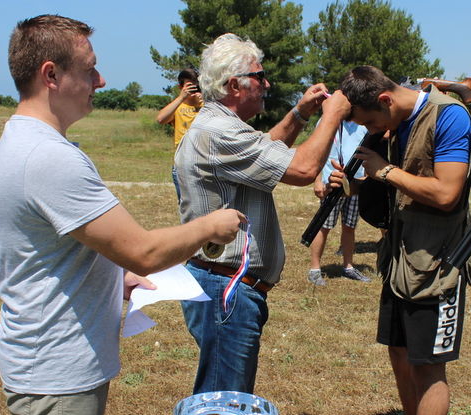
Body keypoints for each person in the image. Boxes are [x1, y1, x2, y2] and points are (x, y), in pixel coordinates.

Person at [0, 15, 244, 415]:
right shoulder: (50, 158)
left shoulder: (23, 139)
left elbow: (48, 247)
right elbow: (142, 251)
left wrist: (112, 278)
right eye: (89, 69)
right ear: (50, 75)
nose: (101, 79)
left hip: (45, 359)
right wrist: (210, 226)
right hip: (57, 371)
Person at [175, 33, 351, 395]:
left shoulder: (221, 127)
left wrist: (301, 113)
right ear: (233, 85)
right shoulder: (220, 131)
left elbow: (265, 148)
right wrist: (331, 117)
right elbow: (302, 170)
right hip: (227, 288)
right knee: (223, 403)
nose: (267, 83)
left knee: (222, 392)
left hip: (223, 284)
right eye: (260, 76)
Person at [338, 65, 471, 415]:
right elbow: (394, 195)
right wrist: (355, 186)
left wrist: (383, 170)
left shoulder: (450, 116)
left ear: (385, 99)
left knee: (429, 365)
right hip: (399, 258)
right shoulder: (392, 124)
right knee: (399, 352)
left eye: (368, 122)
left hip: (438, 263)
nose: (369, 131)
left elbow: (447, 193)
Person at [307, 120, 371, 286]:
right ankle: (314, 269)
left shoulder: (363, 122)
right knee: (324, 226)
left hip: (356, 183)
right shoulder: (328, 119)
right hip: (332, 183)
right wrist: (317, 181)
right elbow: (318, 152)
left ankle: (348, 266)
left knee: (350, 226)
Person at [156, 68, 203, 202]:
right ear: (180, 87)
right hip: (182, 165)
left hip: (203, 165)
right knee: (185, 208)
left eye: (196, 86)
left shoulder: (206, 106)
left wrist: (203, 104)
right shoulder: (178, 107)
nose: (194, 90)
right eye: (189, 86)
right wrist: (181, 97)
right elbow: (160, 119)